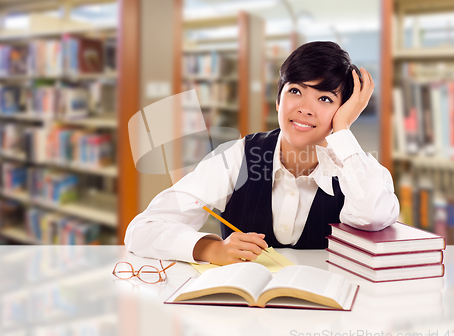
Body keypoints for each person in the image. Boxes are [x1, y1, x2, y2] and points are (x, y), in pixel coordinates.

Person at [125, 41, 399, 265]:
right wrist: (209, 249)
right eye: (295, 91)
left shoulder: (356, 167)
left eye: (325, 98)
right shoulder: (238, 155)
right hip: (244, 314)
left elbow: (373, 217)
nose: (305, 108)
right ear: (278, 101)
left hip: (327, 315)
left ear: (344, 110)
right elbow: (143, 229)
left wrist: (342, 130)